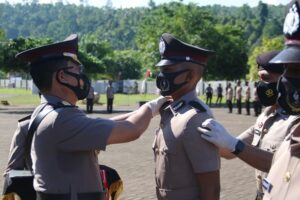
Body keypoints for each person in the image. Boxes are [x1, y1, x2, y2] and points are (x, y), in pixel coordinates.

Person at [13, 34, 170, 200]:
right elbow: (132, 129)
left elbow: (102, 124)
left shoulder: (48, 111)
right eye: (77, 71)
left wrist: (150, 109)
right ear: (62, 76)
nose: (82, 78)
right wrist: (150, 107)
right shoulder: (61, 119)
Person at [198, 50, 290, 200]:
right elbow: (228, 152)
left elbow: (284, 166)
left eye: (266, 78)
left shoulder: (295, 120)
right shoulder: (266, 116)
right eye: (260, 80)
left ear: (285, 79)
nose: (262, 86)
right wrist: (199, 132)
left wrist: (234, 145)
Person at [154, 33, 220, 200]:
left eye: (168, 70)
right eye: (161, 70)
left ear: (190, 76)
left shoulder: (195, 118)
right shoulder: (171, 111)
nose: (162, 76)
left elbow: (210, 188)